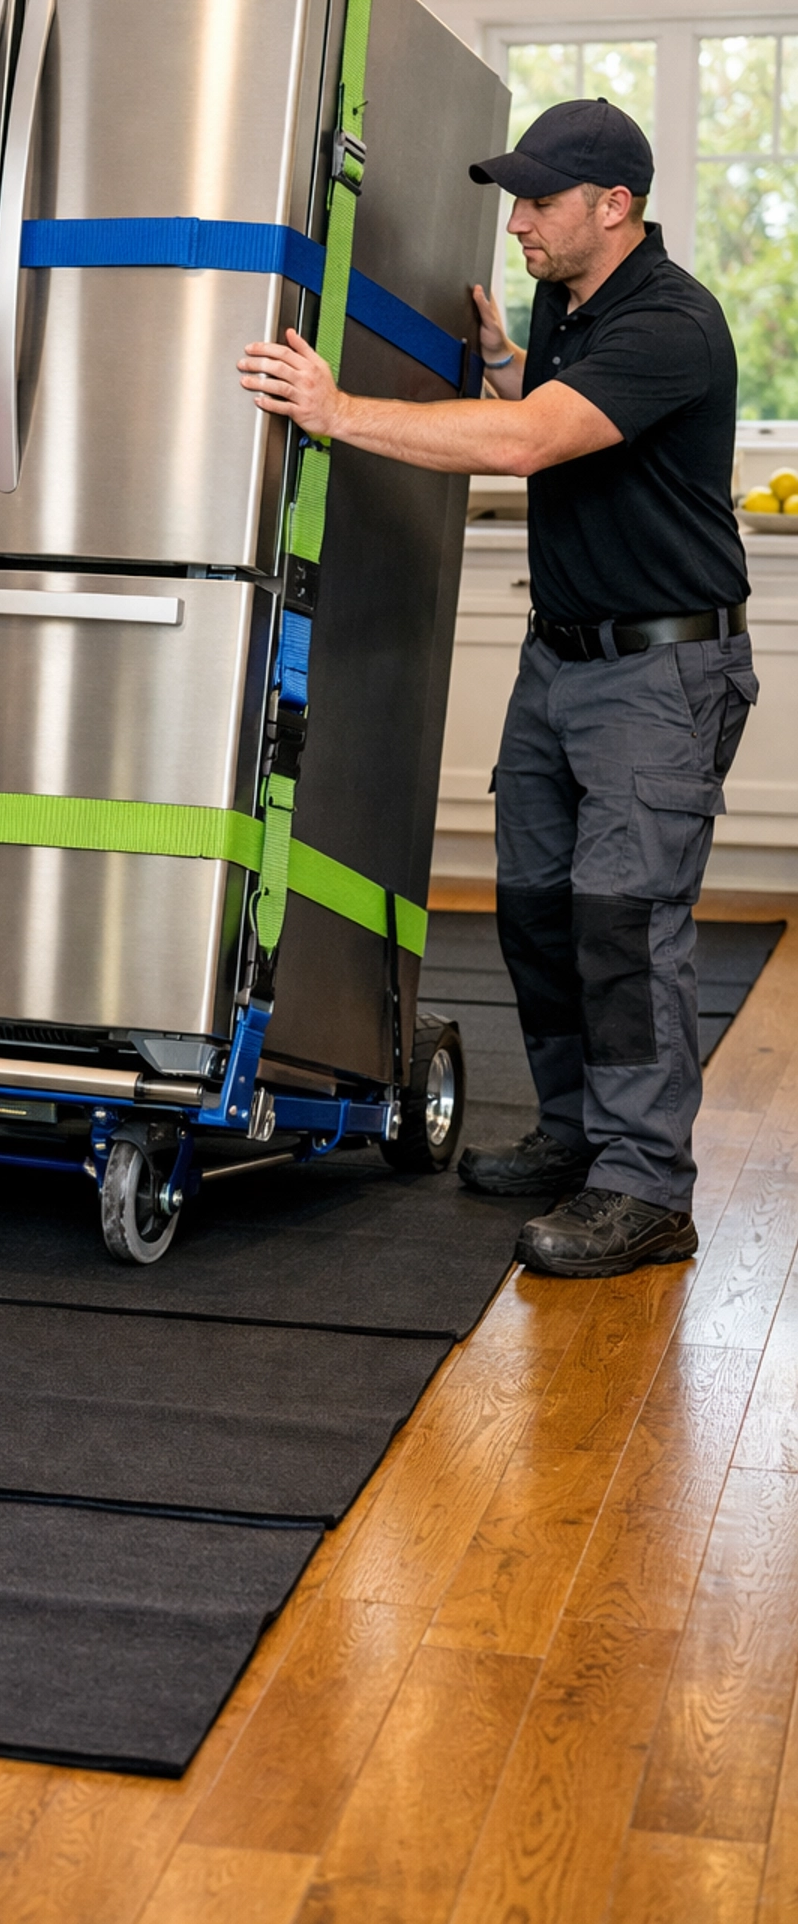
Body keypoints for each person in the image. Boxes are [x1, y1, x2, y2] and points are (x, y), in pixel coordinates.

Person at [239, 96, 755, 1280]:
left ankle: (643, 1188)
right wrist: (517, 368)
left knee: (625, 930)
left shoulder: (673, 322)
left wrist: (334, 411)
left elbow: (528, 446)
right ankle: (578, 1135)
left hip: (661, 671)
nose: (515, 222)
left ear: (613, 207)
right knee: (532, 912)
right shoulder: (564, 305)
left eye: (537, 201)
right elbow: (548, 415)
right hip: (562, 659)